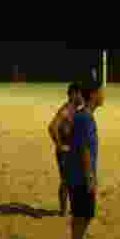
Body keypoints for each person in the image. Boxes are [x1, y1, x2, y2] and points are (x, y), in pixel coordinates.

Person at [63, 81, 104, 239]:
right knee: (83, 215)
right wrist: (89, 176)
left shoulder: (82, 116)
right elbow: (84, 149)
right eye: (101, 92)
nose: (104, 95)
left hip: (77, 173)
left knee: (82, 215)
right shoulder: (85, 118)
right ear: (94, 94)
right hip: (80, 175)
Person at [48, 82, 84, 216]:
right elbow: (52, 127)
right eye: (80, 94)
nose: (82, 97)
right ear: (74, 94)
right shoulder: (66, 110)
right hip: (66, 152)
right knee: (66, 181)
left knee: (74, 180)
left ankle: (71, 209)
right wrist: (60, 145)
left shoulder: (76, 110)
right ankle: (63, 211)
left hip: (74, 151)